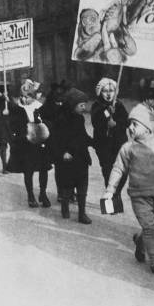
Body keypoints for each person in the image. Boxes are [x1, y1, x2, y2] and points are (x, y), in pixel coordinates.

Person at [103, 102, 154, 277]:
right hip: (138, 196)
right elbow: (117, 169)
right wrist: (110, 190)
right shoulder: (127, 148)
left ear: (148, 128)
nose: (130, 127)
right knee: (150, 226)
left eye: (135, 124)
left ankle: (140, 240)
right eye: (129, 124)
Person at [7, 80, 52, 208]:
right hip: (26, 144)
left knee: (44, 169)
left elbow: (48, 122)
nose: (24, 99)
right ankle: (30, 195)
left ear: (33, 97)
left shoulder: (40, 107)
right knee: (29, 170)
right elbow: (14, 126)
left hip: (41, 143)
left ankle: (43, 193)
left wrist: (42, 122)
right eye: (22, 96)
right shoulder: (18, 109)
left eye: (27, 97)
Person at [51, 88, 93, 223]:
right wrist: (63, 153)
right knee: (66, 187)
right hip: (67, 160)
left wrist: (94, 142)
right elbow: (56, 140)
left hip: (81, 158)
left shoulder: (80, 119)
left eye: (84, 105)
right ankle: (65, 207)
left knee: (82, 187)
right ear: (72, 105)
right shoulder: (61, 120)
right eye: (81, 105)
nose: (84, 108)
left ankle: (82, 214)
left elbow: (83, 136)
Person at [91, 77, 128, 214]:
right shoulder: (97, 106)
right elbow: (96, 121)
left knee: (122, 173)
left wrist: (116, 122)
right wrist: (107, 117)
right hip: (104, 145)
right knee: (108, 172)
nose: (108, 94)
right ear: (100, 92)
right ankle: (110, 205)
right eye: (105, 91)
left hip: (119, 144)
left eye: (111, 90)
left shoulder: (118, 104)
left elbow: (127, 121)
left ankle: (116, 195)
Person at [41, 81, 69, 200]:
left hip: (62, 142)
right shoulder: (46, 107)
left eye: (61, 94)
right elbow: (40, 118)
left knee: (62, 167)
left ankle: (63, 192)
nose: (59, 97)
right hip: (49, 142)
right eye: (56, 94)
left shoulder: (67, 107)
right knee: (45, 167)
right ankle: (43, 192)